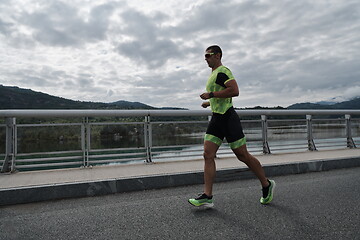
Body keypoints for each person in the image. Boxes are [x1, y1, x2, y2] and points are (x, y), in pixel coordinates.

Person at [188, 45, 275, 207]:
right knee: (207, 154)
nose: (205, 59)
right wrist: (210, 102)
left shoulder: (223, 71)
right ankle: (207, 195)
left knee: (243, 155)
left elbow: (234, 91)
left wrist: (211, 95)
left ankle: (266, 184)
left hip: (228, 118)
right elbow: (223, 94)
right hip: (216, 119)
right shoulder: (214, 74)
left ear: (218, 55)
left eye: (208, 55)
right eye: (204, 56)